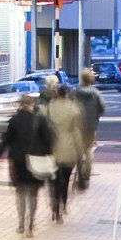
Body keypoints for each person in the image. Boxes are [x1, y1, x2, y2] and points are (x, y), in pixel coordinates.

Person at [4, 86, 55, 236]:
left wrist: (1, 152)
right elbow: (49, 140)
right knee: (33, 193)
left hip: (18, 161)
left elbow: (7, 139)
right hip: (35, 160)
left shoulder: (14, 120)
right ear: (31, 104)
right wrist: (49, 154)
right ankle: (30, 225)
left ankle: (21, 223)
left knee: (20, 192)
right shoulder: (39, 120)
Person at [44, 73, 86, 222]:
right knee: (65, 180)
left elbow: (44, 128)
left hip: (52, 149)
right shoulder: (73, 109)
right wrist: (81, 152)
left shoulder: (49, 108)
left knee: (53, 179)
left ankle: (54, 206)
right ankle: (63, 205)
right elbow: (76, 131)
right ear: (66, 94)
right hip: (69, 149)